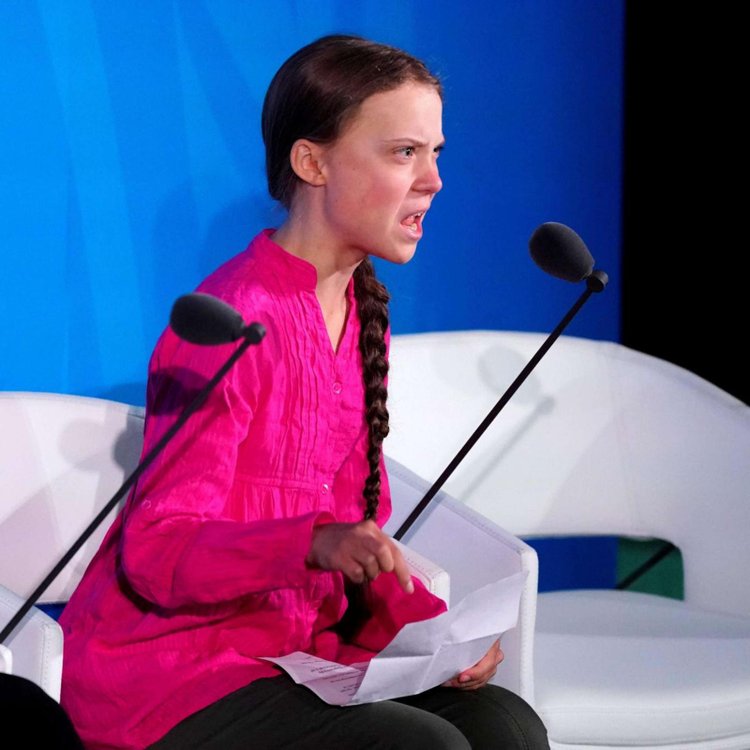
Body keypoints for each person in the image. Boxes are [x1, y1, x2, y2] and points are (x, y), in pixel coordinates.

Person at [58, 34, 550, 749]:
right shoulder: (230, 322)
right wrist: (311, 543)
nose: (434, 179)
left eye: (436, 152)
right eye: (404, 152)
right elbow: (159, 554)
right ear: (311, 161)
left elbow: (359, 540)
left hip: (294, 658)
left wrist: (435, 639)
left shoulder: (360, 315)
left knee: (505, 722)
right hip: (172, 677)